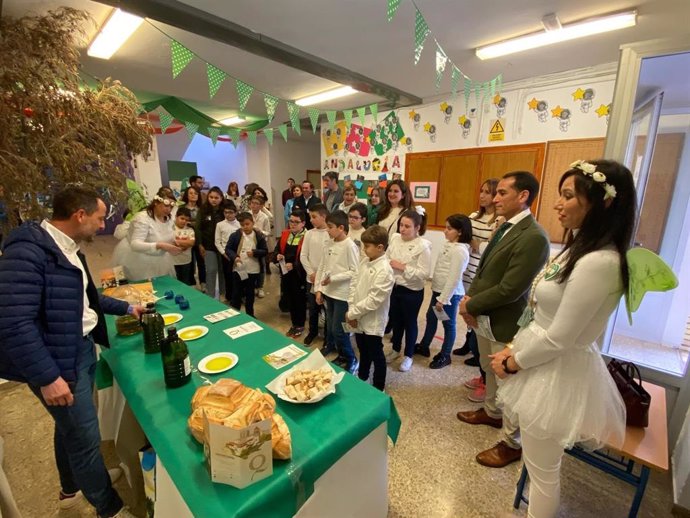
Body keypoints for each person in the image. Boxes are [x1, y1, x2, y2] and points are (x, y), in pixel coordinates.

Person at [490, 160, 635, 517]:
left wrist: (512, 361)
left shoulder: (600, 262)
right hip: (537, 358)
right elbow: (541, 313)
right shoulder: (578, 249)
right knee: (538, 466)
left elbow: (560, 337)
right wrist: (514, 347)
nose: (557, 204)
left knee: (543, 473)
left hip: (553, 371)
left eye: (568, 196)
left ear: (603, 202)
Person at [0, 186, 143, 518]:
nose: (102, 226)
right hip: (58, 362)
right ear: (79, 215)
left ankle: (71, 490)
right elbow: (12, 322)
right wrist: (48, 377)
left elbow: (86, 302)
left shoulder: (70, 250)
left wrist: (127, 308)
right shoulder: (29, 252)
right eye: (98, 218)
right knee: (84, 439)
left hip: (79, 348)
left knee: (70, 428)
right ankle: (109, 507)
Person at [457, 171, 550, 469]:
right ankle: (491, 413)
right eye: (495, 193)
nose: (495, 199)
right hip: (484, 313)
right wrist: (469, 301)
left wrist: (474, 303)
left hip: (505, 318)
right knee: (488, 367)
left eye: (502, 193)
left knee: (508, 380)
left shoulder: (534, 236)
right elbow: (482, 271)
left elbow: (512, 288)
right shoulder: (504, 227)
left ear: (523, 196)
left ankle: (512, 443)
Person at [456, 178, 499, 402]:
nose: (483, 196)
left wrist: (478, 245)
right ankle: (469, 348)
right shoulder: (474, 217)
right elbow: (465, 239)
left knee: (478, 322)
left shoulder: (498, 221)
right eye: (481, 191)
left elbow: (490, 248)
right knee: (467, 315)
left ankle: (485, 379)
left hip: (481, 274)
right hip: (467, 272)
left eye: (488, 192)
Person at [415, 214, 472, 369]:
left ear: (460, 231)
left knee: (448, 324)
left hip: (449, 295)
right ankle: (424, 346)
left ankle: (445, 355)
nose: (445, 231)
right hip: (438, 291)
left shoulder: (460, 251)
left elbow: (454, 279)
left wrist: (443, 299)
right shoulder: (449, 245)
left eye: (449, 228)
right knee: (431, 318)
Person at [346, 225, 394, 391]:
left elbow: (374, 300)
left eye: (367, 246)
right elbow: (353, 284)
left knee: (376, 353)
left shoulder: (385, 270)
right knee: (362, 349)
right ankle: (363, 376)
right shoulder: (365, 261)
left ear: (380, 247)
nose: (364, 250)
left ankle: (378, 387)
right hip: (358, 316)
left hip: (373, 320)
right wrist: (351, 310)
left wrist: (353, 313)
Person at [385, 208, 432, 372]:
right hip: (395, 288)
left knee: (410, 323)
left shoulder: (423, 247)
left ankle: (409, 355)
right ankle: (396, 349)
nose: (402, 229)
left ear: (417, 228)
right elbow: (387, 258)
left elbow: (424, 274)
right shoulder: (395, 238)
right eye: (401, 225)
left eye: (407, 226)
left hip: (412, 292)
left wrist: (402, 267)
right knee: (396, 320)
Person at [315, 210, 359, 373]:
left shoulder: (350, 246)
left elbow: (354, 271)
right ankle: (342, 355)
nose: (327, 230)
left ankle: (351, 359)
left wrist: (333, 278)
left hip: (343, 295)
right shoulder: (329, 243)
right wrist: (319, 289)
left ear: (341, 228)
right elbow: (323, 267)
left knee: (339, 330)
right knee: (332, 328)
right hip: (330, 293)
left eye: (330, 227)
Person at [111, 193, 181, 281]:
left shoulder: (168, 218)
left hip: (159, 259)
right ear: (156, 203)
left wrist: (173, 242)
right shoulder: (142, 218)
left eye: (171, 207)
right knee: (140, 289)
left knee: (160, 286)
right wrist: (160, 245)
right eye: (166, 206)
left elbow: (165, 234)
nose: (169, 209)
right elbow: (135, 244)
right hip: (138, 259)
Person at [225, 212, 268, 317]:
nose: (245, 227)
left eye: (247, 224)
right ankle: (236, 314)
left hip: (253, 269)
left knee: (250, 293)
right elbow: (228, 249)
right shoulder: (235, 235)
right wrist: (235, 257)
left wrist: (255, 252)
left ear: (252, 223)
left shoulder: (259, 236)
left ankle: (250, 314)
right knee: (236, 293)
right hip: (238, 269)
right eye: (242, 225)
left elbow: (265, 251)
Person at [274, 209, 308, 338]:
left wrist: (294, 265)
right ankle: (294, 324)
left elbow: (307, 257)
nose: (292, 224)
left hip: (300, 274)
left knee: (300, 300)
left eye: (296, 222)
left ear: (303, 223)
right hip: (286, 273)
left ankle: (300, 325)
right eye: (291, 221)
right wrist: (278, 255)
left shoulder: (307, 236)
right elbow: (277, 249)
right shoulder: (285, 234)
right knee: (290, 299)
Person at [301, 204, 331, 345]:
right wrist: (311, 273)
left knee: (326, 309)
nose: (311, 220)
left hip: (325, 280)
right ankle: (312, 332)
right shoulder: (309, 233)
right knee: (313, 308)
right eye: (310, 217)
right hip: (311, 278)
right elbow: (303, 255)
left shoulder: (330, 234)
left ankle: (327, 337)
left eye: (314, 217)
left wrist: (321, 276)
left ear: (323, 216)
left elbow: (331, 259)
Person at [197, 186, 226, 299]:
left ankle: (224, 294)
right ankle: (210, 295)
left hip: (223, 246)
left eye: (216, 197)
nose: (213, 199)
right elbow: (198, 228)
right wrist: (199, 244)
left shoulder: (224, 210)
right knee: (211, 270)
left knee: (222, 270)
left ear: (221, 198)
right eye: (211, 197)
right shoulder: (203, 210)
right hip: (208, 246)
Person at [181, 186, 205, 289]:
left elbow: (203, 224)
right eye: (191, 193)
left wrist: (193, 223)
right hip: (186, 238)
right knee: (189, 262)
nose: (193, 195)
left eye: (195, 193)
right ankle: (192, 284)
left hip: (200, 238)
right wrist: (194, 223)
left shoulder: (202, 208)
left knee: (201, 261)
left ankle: (203, 283)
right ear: (186, 195)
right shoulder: (181, 208)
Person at [215, 201, 240, 301]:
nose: (228, 215)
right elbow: (217, 241)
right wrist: (223, 253)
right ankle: (229, 296)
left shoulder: (239, 224)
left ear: (235, 213)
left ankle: (239, 295)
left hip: (238, 253)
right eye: (225, 212)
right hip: (225, 254)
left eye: (230, 212)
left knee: (238, 275)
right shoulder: (220, 224)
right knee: (228, 276)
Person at [249, 195, 271, 298]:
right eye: (252, 203)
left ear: (261, 206)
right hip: (249, 241)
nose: (253, 205)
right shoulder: (247, 214)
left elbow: (268, 232)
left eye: (256, 203)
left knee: (261, 265)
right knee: (251, 264)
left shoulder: (264, 217)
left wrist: (260, 231)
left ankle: (260, 287)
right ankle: (252, 286)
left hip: (260, 242)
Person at [171, 207, 196, 285]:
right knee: (174, 283)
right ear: (176, 217)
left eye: (186, 220)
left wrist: (175, 242)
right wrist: (185, 243)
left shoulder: (190, 230)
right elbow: (168, 242)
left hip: (186, 261)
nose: (184, 221)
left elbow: (191, 243)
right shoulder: (170, 228)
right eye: (182, 218)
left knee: (185, 283)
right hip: (172, 262)